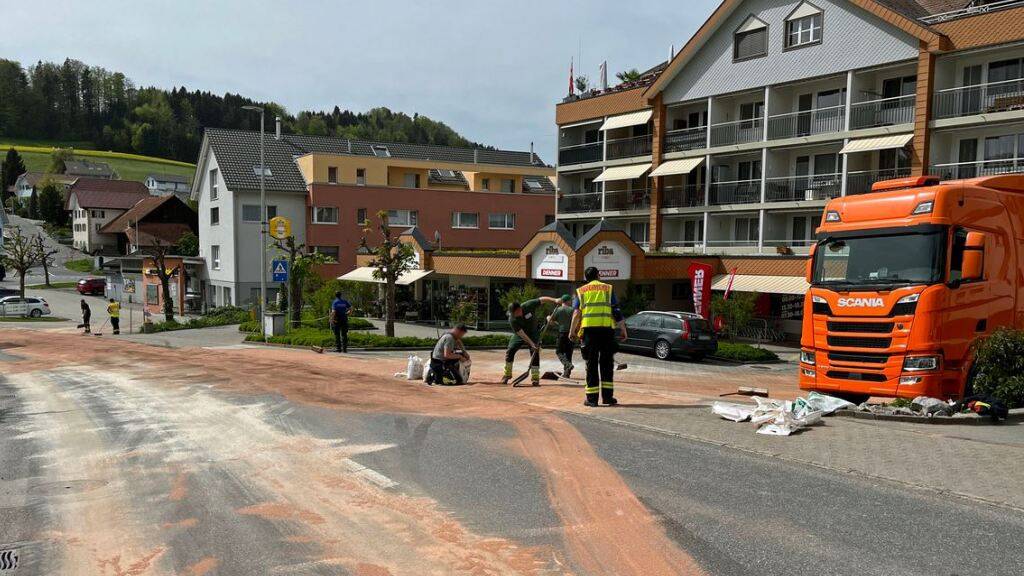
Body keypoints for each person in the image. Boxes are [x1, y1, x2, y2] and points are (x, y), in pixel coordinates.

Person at [570, 267, 627, 407]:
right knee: (607, 364)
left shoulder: (581, 291)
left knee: (591, 364)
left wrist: (571, 331)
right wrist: (623, 329)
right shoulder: (608, 289)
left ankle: (592, 399)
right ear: (598, 275)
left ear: (586, 278)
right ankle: (608, 398)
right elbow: (616, 311)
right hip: (607, 331)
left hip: (589, 333)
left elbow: (576, 313)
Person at [502, 295, 562, 386]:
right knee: (510, 350)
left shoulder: (528, 305)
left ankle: (535, 378)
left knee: (535, 353)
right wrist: (531, 343)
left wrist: (555, 299)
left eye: (516, 313)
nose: (515, 315)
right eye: (513, 314)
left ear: (519, 309)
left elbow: (541, 299)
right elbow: (521, 333)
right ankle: (507, 375)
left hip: (533, 333)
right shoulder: (512, 319)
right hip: (520, 334)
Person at [547, 294, 576, 378]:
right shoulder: (573, 310)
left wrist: (548, 317)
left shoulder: (558, 310)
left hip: (562, 333)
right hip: (571, 333)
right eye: (570, 300)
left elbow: (551, 322)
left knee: (559, 351)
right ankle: (567, 373)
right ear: (567, 301)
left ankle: (567, 365)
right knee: (568, 353)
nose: (571, 302)